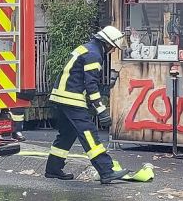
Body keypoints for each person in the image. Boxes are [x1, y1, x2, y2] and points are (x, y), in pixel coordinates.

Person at [45, 26, 130, 184]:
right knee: (89, 134)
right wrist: (101, 110)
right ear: (107, 44)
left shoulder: (87, 48)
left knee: (66, 135)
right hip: (72, 99)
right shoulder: (94, 54)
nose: (112, 51)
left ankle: (53, 169)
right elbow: (91, 84)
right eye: (113, 48)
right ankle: (106, 171)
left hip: (61, 96)